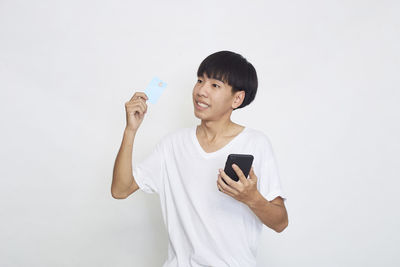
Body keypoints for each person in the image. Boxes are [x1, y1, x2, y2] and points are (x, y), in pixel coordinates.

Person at [111, 50, 288, 267]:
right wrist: (130, 130)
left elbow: (280, 222)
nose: (201, 90)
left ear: (237, 98)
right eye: (200, 80)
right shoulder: (172, 145)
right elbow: (120, 190)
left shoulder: (255, 144)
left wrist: (252, 197)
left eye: (215, 85)